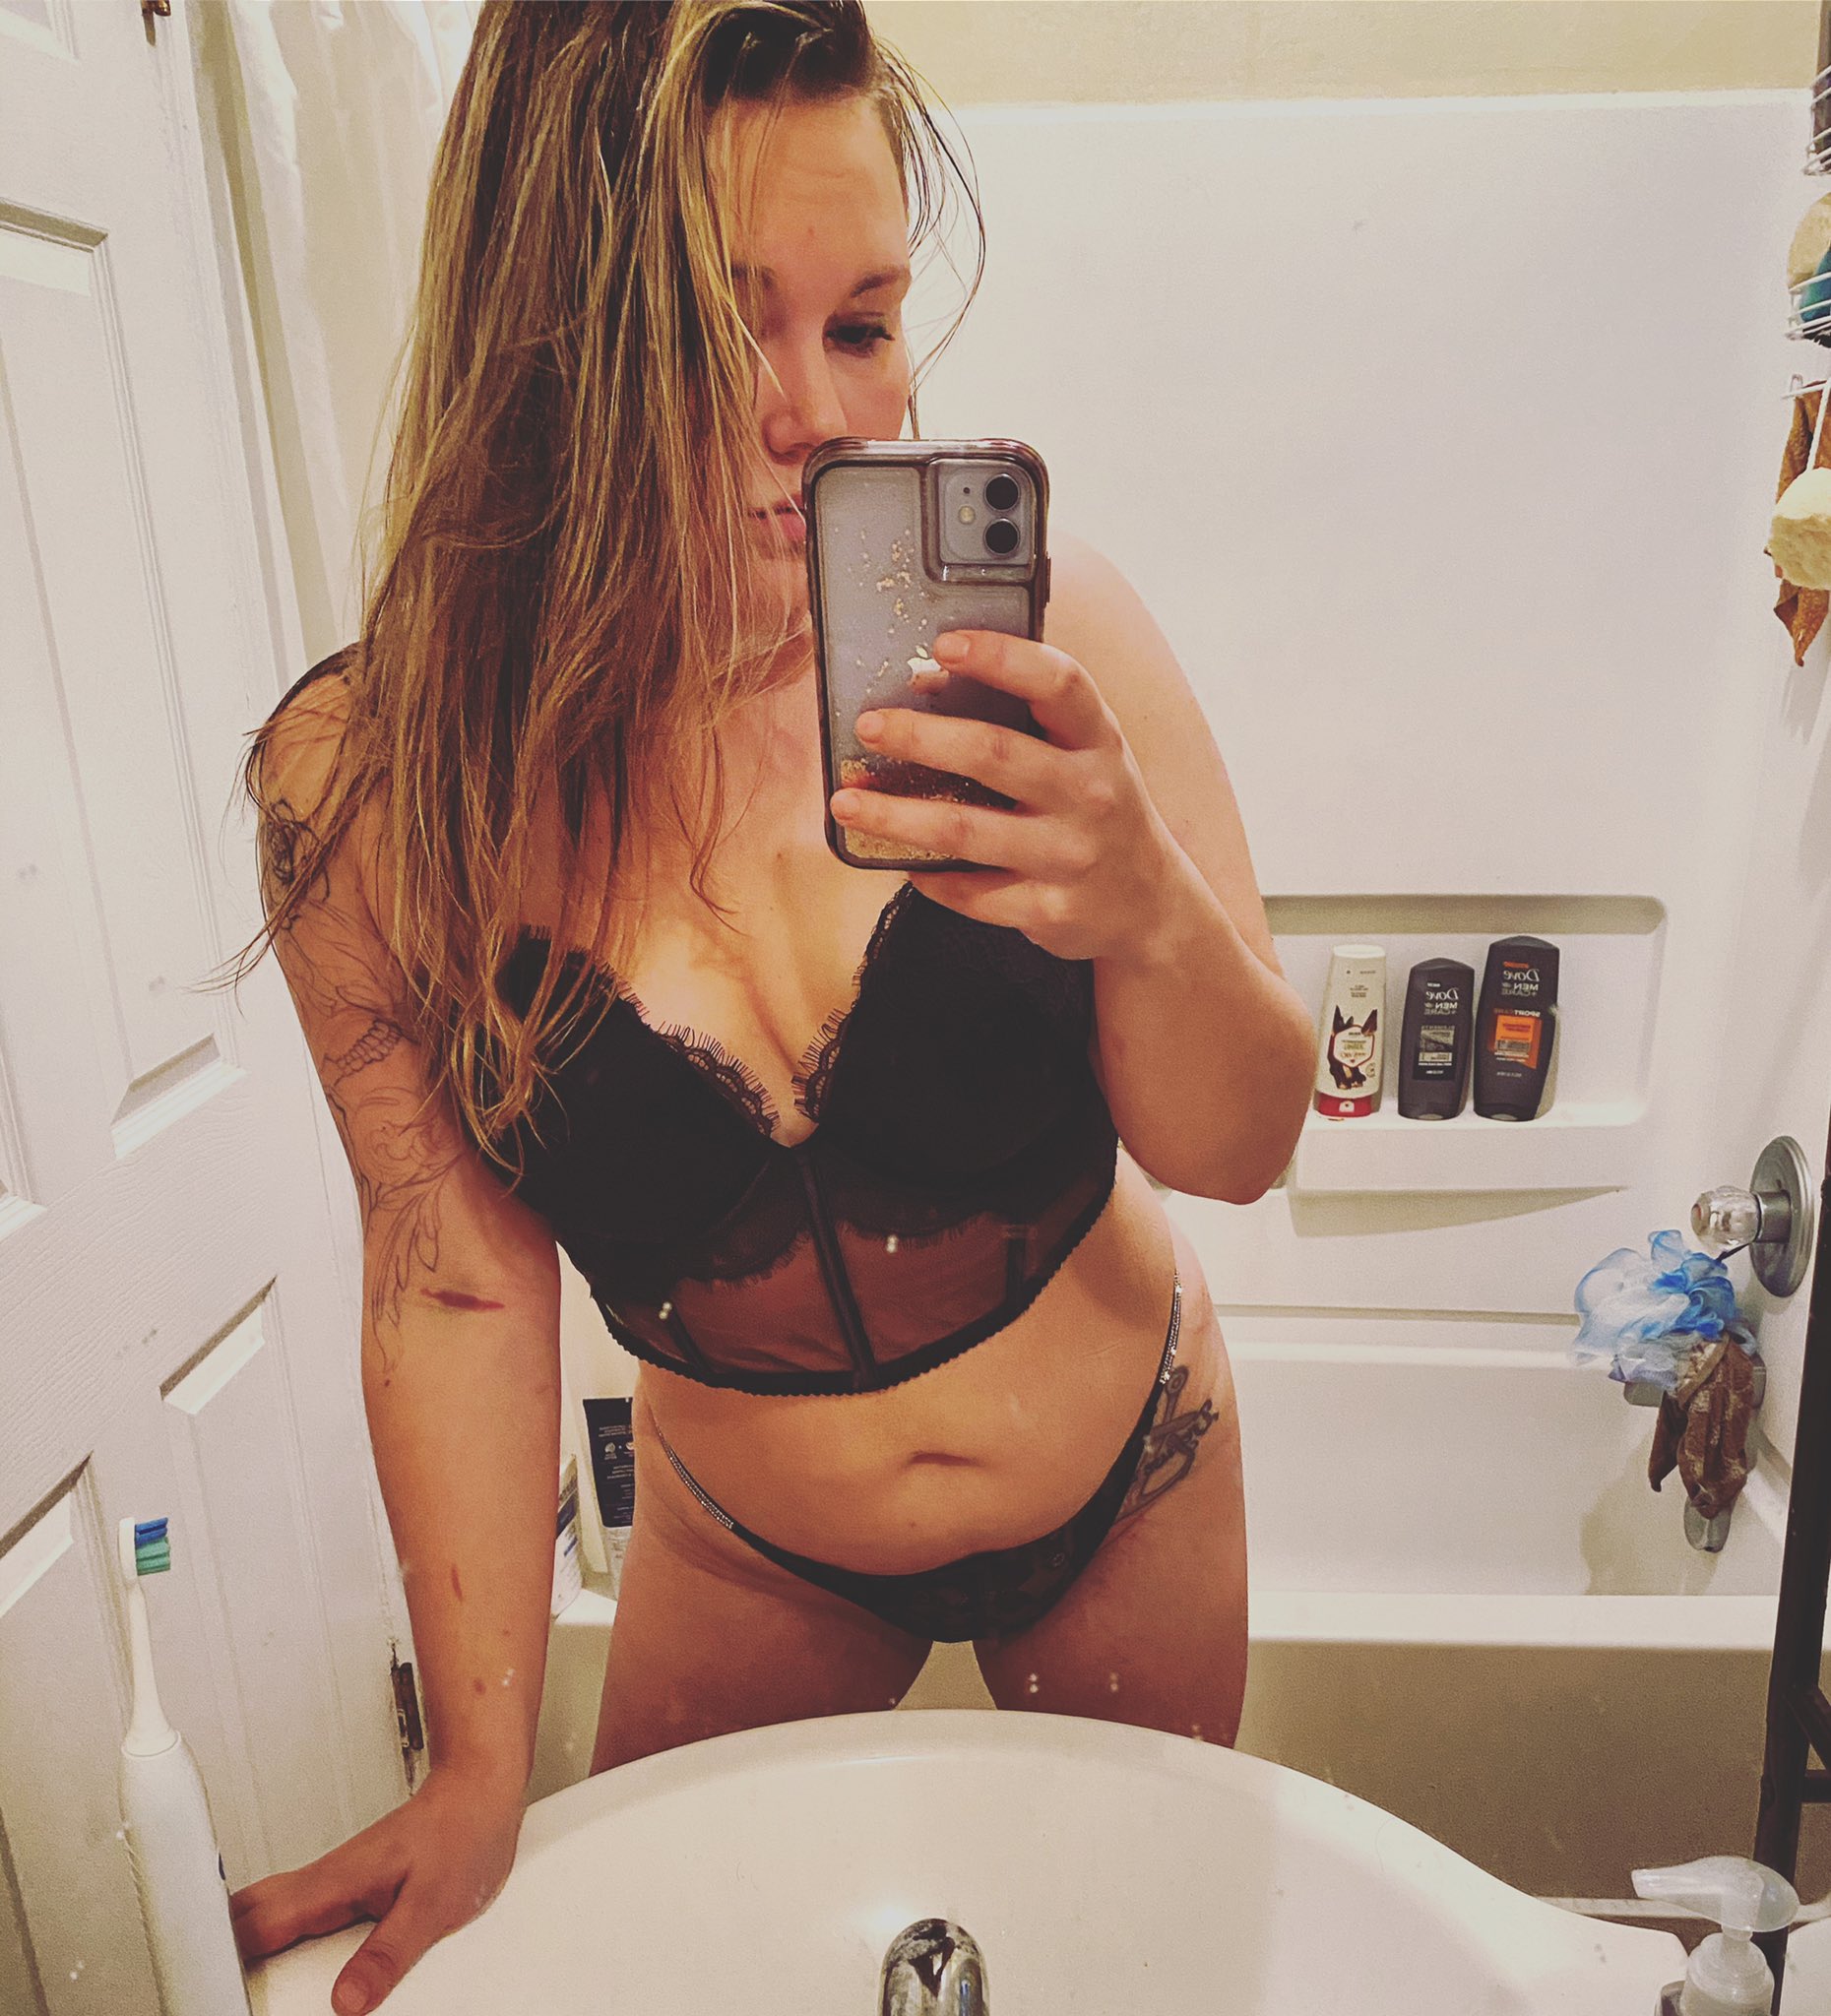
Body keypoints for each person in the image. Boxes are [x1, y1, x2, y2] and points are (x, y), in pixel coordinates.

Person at [224, 5, 1314, 2012]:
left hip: (1128, 1484)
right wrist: (474, 1764)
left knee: (1135, 1976)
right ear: (541, 335)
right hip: (749, 1552)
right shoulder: (376, 794)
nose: (816, 413)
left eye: (865, 322)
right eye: (719, 328)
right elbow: (450, 1284)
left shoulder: (1042, 644)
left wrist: (1145, 910)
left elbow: (1240, 1151)